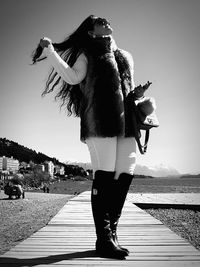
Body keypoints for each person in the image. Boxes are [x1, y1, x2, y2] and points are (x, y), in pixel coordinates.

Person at [32, 15, 146, 259]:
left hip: (127, 124)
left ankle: (111, 234)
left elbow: (128, 90)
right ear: (91, 32)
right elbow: (72, 77)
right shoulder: (88, 54)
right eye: (98, 21)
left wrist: (138, 96)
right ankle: (103, 239)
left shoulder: (126, 56)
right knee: (104, 175)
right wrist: (51, 51)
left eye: (105, 19)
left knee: (125, 174)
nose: (105, 21)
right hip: (100, 122)